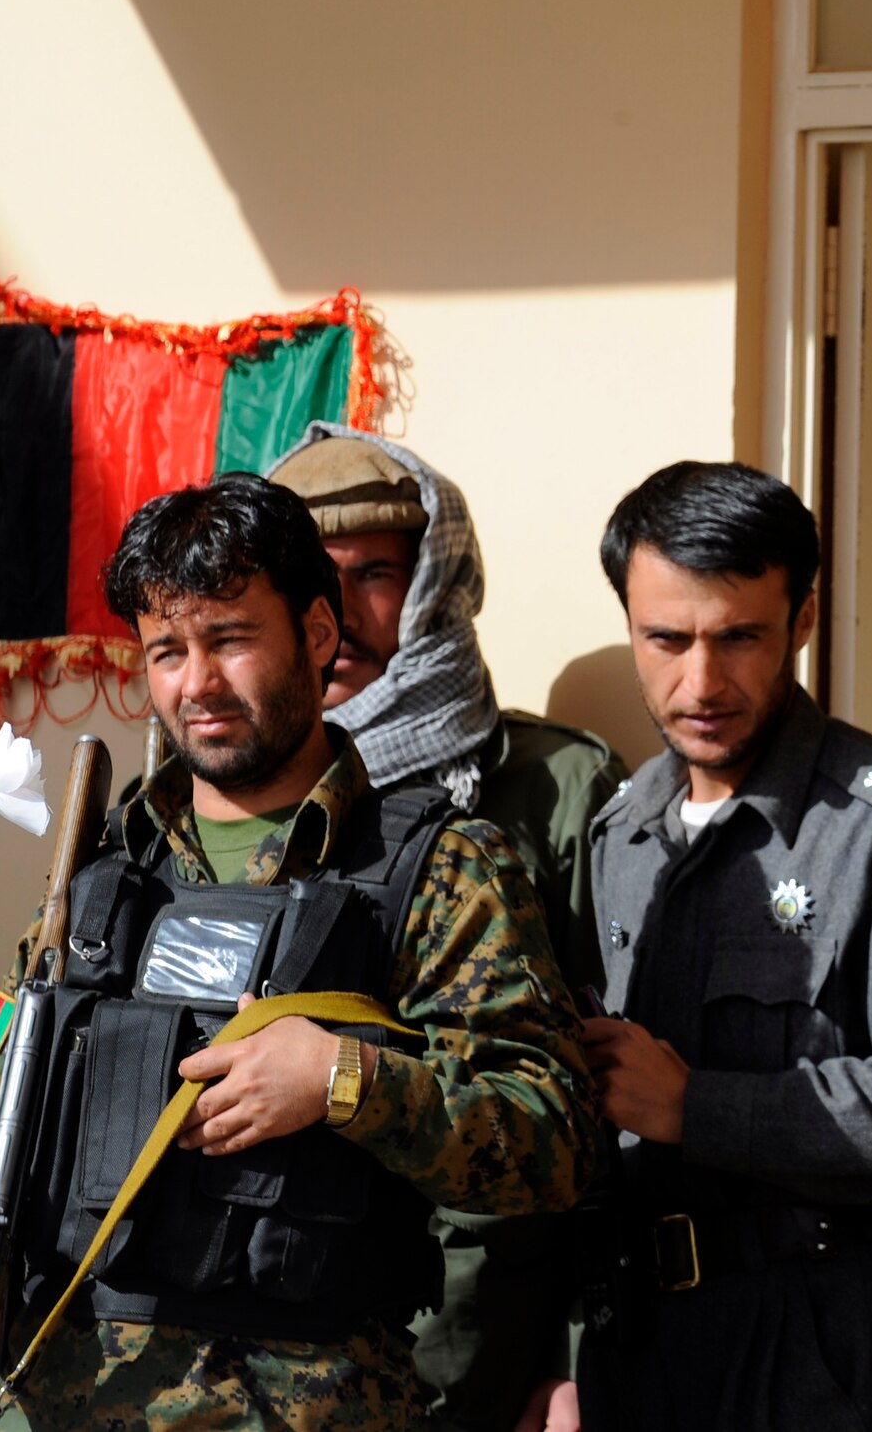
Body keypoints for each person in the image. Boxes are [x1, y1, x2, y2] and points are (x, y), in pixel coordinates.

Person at [0, 472, 599, 1430]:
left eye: (230, 639)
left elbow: (555, 1141)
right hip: (53, 1397)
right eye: (167, 649)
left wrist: (347, 1080)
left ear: (319, 636)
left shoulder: (440, 869)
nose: (195, 682)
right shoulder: (97, 881)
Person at [553, 461, 872, 1431]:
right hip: (634, 1350)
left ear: (801, 619)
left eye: (738, 637)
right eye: (665, 639)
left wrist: (698, 1106)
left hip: (824, 1348)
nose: (700, 681)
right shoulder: (619, 832)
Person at [268, 423, 626, 1431]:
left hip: (478, 1338)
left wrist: (571, 1364)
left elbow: (602, 1096)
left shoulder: (551, 783)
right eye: (305, 574)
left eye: (376, 573)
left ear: (440, 581)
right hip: (271, 1338)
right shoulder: (215, 796)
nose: (337, 609)